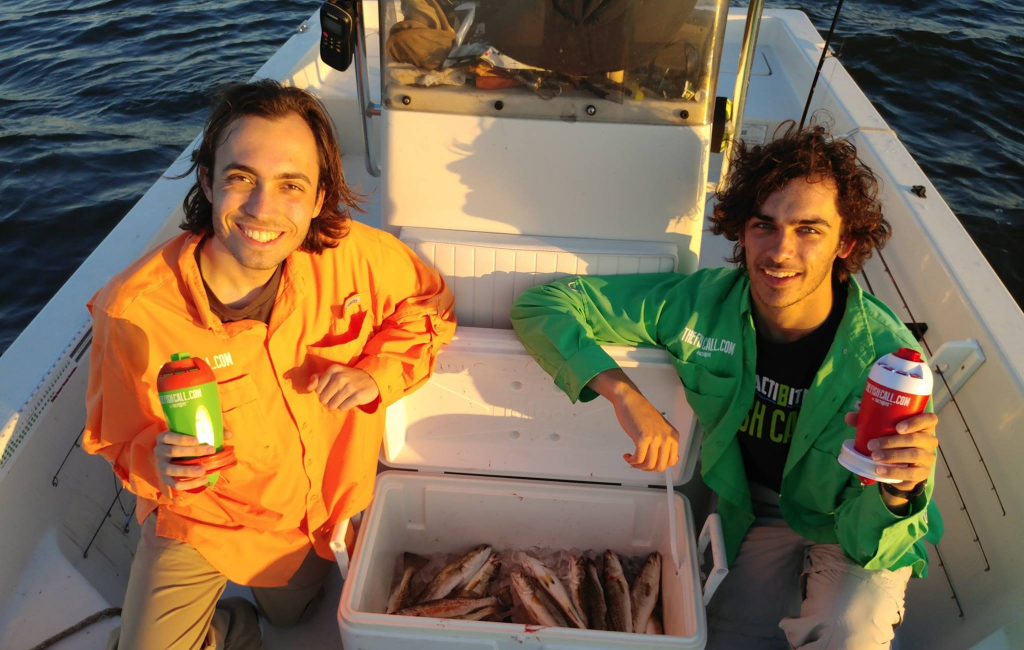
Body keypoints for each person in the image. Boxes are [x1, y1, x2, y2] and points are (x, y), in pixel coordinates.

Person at [510, 124, 942, 649]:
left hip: (849, 523)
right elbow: (543, 306)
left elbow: (871, 536)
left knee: (848, 636)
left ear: (844, 243)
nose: (780, 251)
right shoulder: (697, 305)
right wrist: (624, 395)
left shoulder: (888, 360)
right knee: (723, 641)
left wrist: (900, 491)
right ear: (741, 232)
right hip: (751, 509)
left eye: (809, 230)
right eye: (765, 225)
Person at [83, 79, 455, 649]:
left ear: (318, 195)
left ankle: (247, 617)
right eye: (241, 178)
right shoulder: (132, 313)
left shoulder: (355, 255)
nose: (262, 209)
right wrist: (157, 462)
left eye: (290, 185)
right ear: (207, 180)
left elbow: (429, 305)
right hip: (203, 519)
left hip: (318, 513)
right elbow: (118, 437)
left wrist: (376, 374)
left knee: (292, 618)